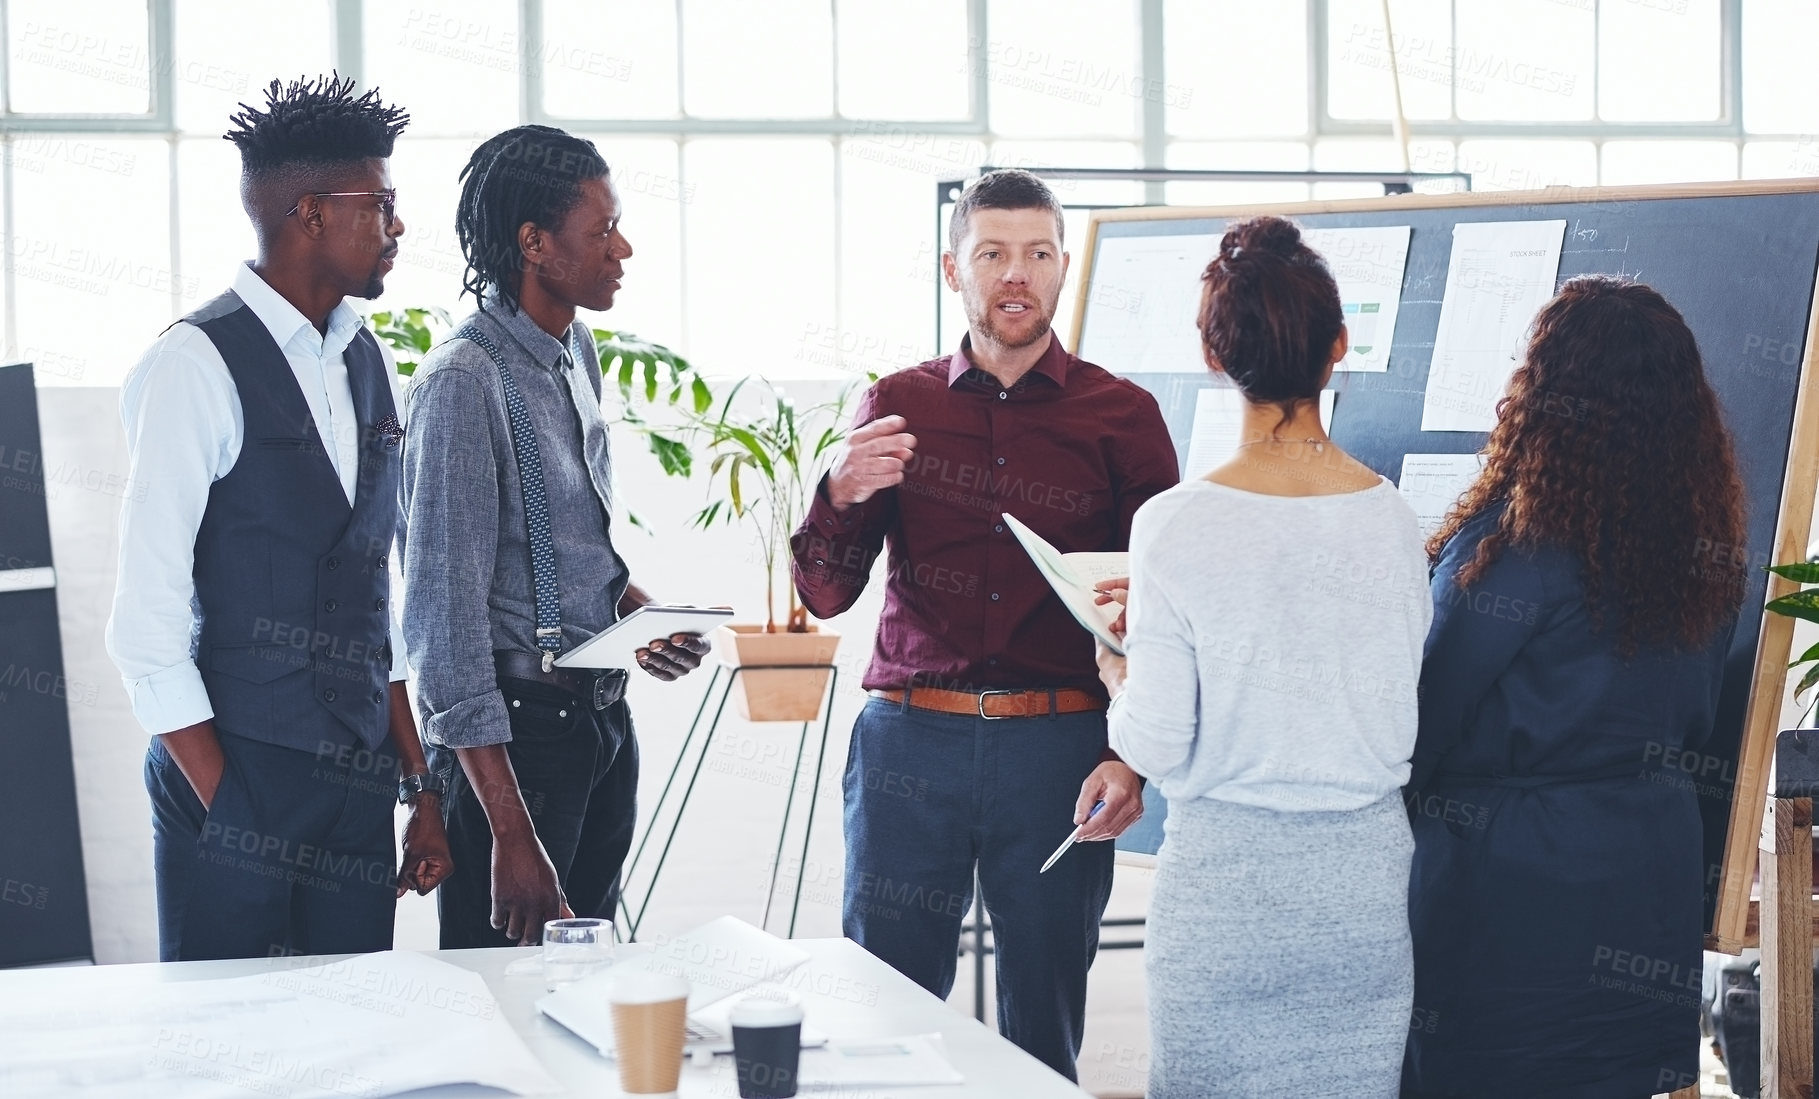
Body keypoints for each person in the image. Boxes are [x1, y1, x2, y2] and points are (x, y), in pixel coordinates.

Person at [789, 168, 1179, 1079]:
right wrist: (839, 490)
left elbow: (1171, 612)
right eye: (993, 253)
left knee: (1043, 1023)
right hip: (908, 745)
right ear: (950, 268)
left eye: (1038, 254)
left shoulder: (1124, 416)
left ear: (1062, 268)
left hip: (1061, 748)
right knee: (889, 1012)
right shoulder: (896, 403)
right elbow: (825, 593)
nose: (1016, 274)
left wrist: (1132, 757)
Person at [107, 75, 451, 961]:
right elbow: (143, 622)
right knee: (228, 1053)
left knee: (354, 1039)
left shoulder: (364, 357)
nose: (397, 227)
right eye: (381, 204)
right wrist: (230, 801)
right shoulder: (194, 363)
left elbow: (375, 595)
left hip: (357, 781)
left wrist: (417, 783)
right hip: (238, 766)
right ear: (310, 214)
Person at [1095, 215, 1430, 1098]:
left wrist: (1118, 675)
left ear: (1213, 356)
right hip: (1360, 887)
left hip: (1225, 891)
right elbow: (1396, 712)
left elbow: (1158, 743)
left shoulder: (1173, 523)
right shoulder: (1394, 521)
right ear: (1339, 349)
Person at [1401, 277, 1744, 1099]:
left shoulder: (1512, 546)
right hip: (1648, 867)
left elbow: (1420, 723)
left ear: (1546, 392)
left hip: (1511, 874)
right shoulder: (1708, 553)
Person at [402, 124, 710, 949]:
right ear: (534, 243)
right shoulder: (463, 383)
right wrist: (510, 831)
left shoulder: (575, 347)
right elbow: (442, 630)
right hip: (514, 748)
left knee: (585, 992)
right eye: (601, 229)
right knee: (501, 1011)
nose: (624, 247)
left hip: (599, 729)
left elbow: (566, 547)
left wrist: (637, 620)